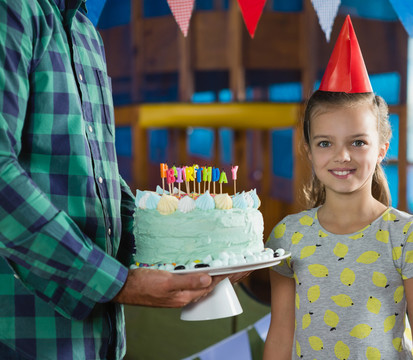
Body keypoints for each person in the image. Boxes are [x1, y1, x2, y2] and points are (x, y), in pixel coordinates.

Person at [0, 1, 245, 358]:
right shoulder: (13, 11)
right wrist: (115, 283)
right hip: (25, 337)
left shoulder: (87, 34)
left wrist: (183, 254)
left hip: (100, 341)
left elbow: (101, 175)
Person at [263, 16, 413, 360]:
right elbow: (280, 336)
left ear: (382, 148)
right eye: (324, 143)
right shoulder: (287, 236)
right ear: (308, 149)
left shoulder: (408, 236)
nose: (341, 156)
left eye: (358, 142)